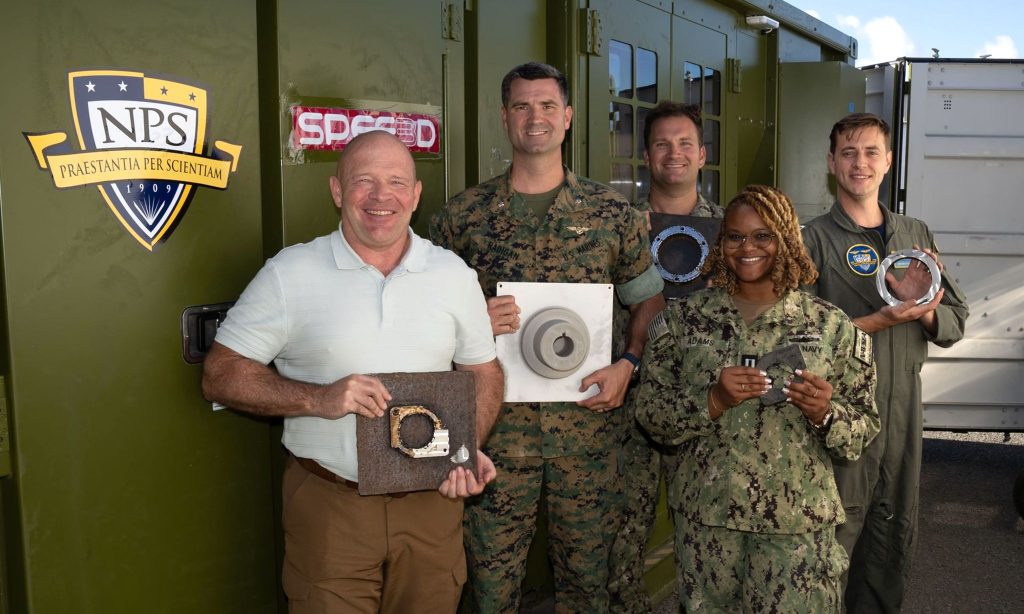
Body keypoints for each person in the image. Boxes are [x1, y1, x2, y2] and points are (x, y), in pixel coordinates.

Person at [201, 130, 505, 614]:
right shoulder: (291, 273)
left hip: (432, 507)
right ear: (338, 191)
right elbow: (220, 374)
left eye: (396, 182)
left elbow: (484, 371)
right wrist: (319, 399)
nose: (381, 197)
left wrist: (468, 450)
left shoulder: (453, 275)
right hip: (331, 506)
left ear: (415, 195)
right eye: (363, 181)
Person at [429, 61, 666, 612]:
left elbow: (649, 302)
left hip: (587, 434)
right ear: (504, 117)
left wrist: (629, 362)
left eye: (546, 105)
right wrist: (469, 320)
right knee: (489, 590)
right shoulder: (463, 217)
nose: (534, 117)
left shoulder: (612, 214)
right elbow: (425, 317)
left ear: (568, 117)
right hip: (493, 437)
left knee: (588, 587)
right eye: (520, 106)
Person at [635, 184, 880, 612]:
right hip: (709, 527)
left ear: (786, 240)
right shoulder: (685, 321)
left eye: (763, 235)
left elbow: (861, 432)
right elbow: (650, 415)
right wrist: (712, 400)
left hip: (796, 530)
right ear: (721, 243)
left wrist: (825, 413)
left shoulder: (830, 328)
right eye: (735, 236)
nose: (748, 247)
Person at [802, 113, 969, 612]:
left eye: (872, 152)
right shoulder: (813, 239)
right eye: (849, 153)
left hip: (903, 413)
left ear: (889, 161)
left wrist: (925, 309)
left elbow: (956, 320)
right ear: (831, 163)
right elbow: (800, 339)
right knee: (830, 541)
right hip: (842, 418)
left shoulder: (914, 235)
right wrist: (879, 319)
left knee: (891, 537)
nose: (861, 163)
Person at [608, 100, 723, 613]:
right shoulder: (616, 224)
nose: (673, 154)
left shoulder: (735, 230)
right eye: (661, 144)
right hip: (627, 400)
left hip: (704, 404)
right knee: (620, 535)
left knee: (705, 538)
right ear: (646, 156)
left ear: (702, 155)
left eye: (684, 144)